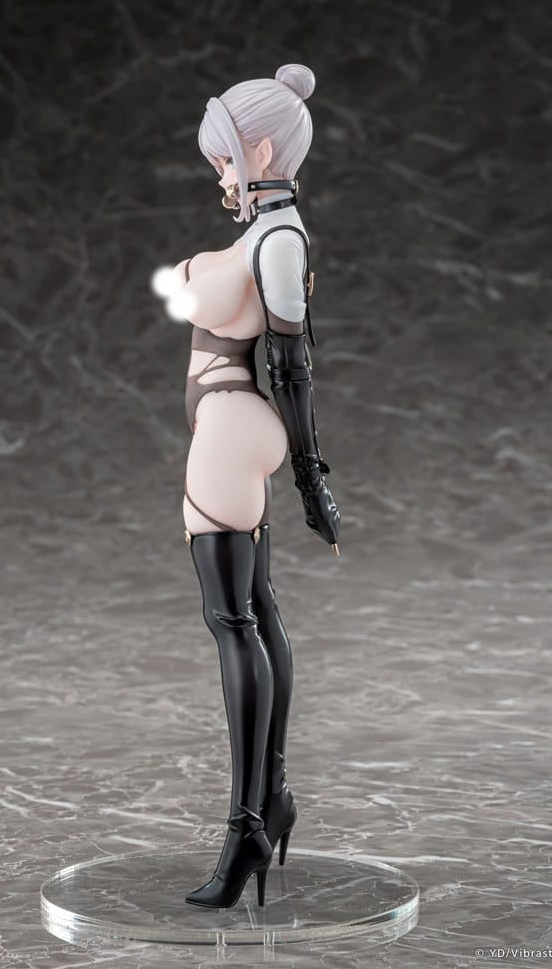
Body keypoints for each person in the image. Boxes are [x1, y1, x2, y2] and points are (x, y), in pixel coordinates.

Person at [169, 63, 340, 909]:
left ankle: (245, 830)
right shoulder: (271, 232)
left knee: (230, 619)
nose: (221, 173)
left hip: (233, 431)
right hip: (231, 427)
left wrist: (311, 479)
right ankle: (270, 801)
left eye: (225, 157)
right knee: (255, 609)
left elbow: (291, 366)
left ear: (261, 150)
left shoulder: (276, 239)